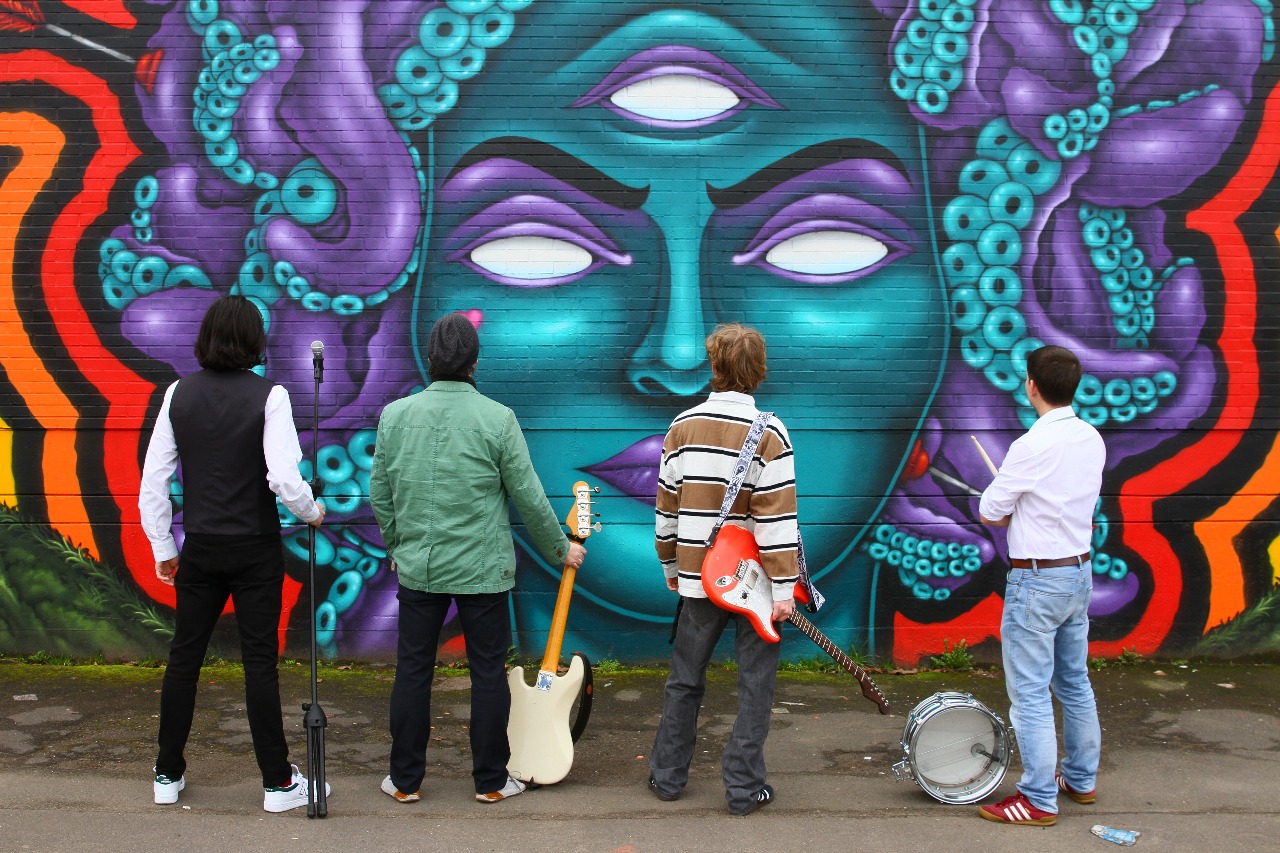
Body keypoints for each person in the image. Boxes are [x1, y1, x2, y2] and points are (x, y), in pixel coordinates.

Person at [369, 312, 587, 805]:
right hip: (482, 572)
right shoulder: (498, 418)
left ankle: (404, 781)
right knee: (488, 673)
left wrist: (396, 547)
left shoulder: (395, 416)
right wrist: (561, 548)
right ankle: (490, 781)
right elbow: (528, 495)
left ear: (430, 359)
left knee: (412, 671)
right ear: (474, 362)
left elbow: (380, 492)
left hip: (420, 567)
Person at [138, 295, 328, 812]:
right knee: (259, 664)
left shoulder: (177, 393)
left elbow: (154, 480)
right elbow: (283, 477)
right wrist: (311, 512)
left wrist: (164, 546)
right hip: (255, 550)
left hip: (200, 547)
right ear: (254, 341)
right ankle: (277, 784)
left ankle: (166, 774)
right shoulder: (272, 396)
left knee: (184, 660)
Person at [648, 323, 798, 816]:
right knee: (755, 686)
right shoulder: (771, 433)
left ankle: (667, 778)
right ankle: (743, 790)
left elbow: (667, 507)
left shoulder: (682, 427)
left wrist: (671, 563)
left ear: (713, 366)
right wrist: (784, 587)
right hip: (756, 585)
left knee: (684, 679)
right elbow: (777, 520)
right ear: (759, 371)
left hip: (699, 578)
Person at [977, 344, 1105, 826]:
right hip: (1078, 572)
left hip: (1037, 579)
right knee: (1074, 681)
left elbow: (990, 511)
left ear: (1032, 385)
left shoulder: (1030, 446)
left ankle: (1037, 800)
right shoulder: (1091, 438)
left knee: (1030, 693)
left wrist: (1011, 507)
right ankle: (1081, 780)